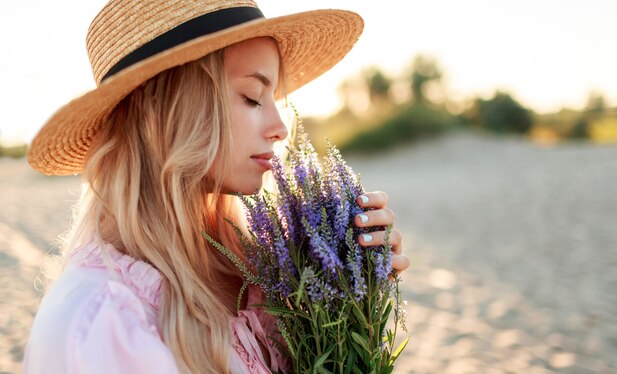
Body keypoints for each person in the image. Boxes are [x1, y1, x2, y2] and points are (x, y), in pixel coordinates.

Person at [24, 0, 410, 373]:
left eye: (274, 98)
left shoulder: (259, 273)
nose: (280, 127)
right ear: (162, 110)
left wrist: (350, 299)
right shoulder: (102, 325)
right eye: (252, 97)